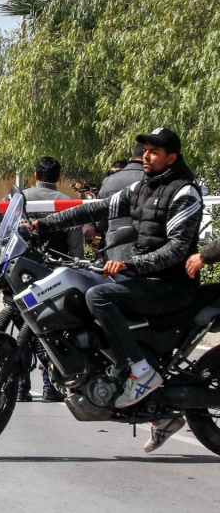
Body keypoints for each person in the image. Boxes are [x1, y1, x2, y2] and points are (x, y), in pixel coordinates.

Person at [29, 128, 202, 426]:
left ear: (171, 158)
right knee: (87, 286)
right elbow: (93, 210)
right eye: (145, 150)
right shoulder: (142, 188)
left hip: (170, 285)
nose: (146, 156)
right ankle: (151, 408)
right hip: (145, 280)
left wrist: (130, 265)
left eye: (154, 152)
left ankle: (140, 371)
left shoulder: (184, 192)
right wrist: (41, 225)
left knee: (99, 296)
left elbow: (176, 250)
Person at [0, 156, 82, 402]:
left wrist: (11, 241)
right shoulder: (68, 203)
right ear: (58, 178)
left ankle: (20, 386)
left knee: (21, 327)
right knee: (49, 331)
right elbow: (75, 246)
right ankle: (50, 386)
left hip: (19, 272)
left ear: (35, 176)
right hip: (53, 277)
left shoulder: (17, 199)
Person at [96, 144, 146, 260]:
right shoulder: (156, 180)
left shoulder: (108, 181)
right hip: (146, 252)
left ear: (131, 159)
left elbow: (100, 222)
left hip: (114, 252)